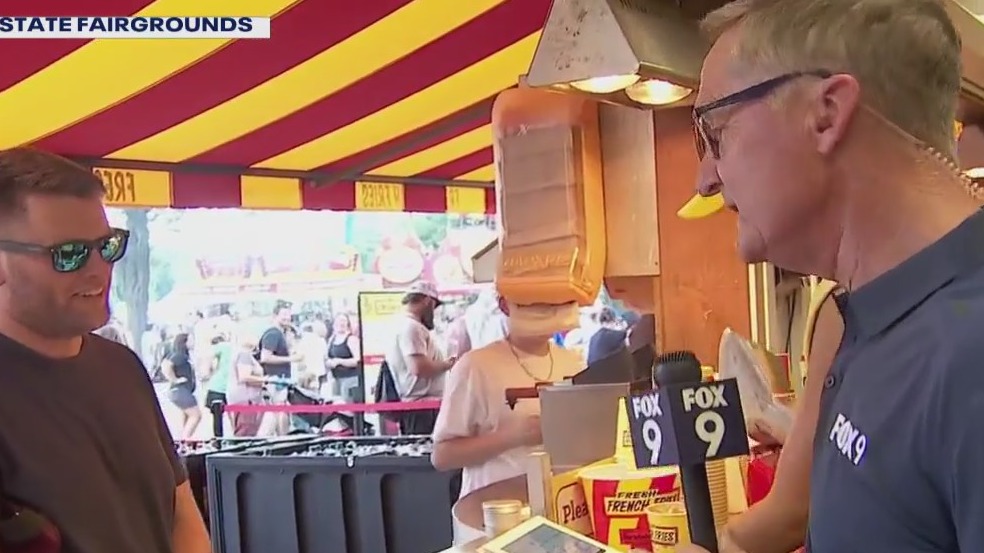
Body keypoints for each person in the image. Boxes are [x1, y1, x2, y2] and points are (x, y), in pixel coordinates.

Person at [681, 1, 984, 552]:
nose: (704, 180)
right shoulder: (862, 314)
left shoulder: (971, 354)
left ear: (827, 113)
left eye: (714, 133)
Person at [0, 147, 209, 553]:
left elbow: (178, 509)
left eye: (108, 245)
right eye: (70, 254)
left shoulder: (122, 366)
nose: (99, 268)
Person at [431, 300, 583, 500]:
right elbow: (442, 456)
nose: (546, 310)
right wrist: (513, 436)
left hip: (562, 503)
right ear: (504, 305)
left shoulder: (574, 363)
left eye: (556, 302)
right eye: (533, 303)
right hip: (492, 511)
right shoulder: (475, 366)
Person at [384, 281, 456, 435]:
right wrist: (448, 364)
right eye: (434, 307)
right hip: (421, 408)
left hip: (419, 407)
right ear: (427, 301)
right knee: (425, 454)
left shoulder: (405, 325)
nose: (435, 312)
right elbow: (419, 368)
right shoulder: (412, 327)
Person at [161, 333, 201, 440]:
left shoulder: (183, 356)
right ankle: (185, 438)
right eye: (191, 340)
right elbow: (166, 366)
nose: (193, 342)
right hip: (180, 390)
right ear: (184, 342)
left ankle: (183, 439)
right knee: (195, 415)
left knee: (187, 416)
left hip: (183, 391)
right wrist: (174, 379)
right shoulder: (180, 356)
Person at [258, 303, 300, 379]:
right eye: (284, 314)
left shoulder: (281, 333)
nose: (287, 318)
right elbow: (265, 358)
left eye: (289, 315)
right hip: (274, 381)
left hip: (280, 379)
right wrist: (291, 358)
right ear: (275, 316)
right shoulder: (273, 333)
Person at [327, 313, 361, 402]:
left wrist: (339, 361)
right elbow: (327, 357)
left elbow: (357, 360)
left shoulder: (351, 339)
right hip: (336, 379)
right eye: (338, 321)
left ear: (347, 324)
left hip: (350, 378)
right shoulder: (332, 339)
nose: (341, 324)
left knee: (347, 405)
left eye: (343, 321)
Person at [204, 333, 234, 410]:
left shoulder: (221, 346)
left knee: (217, 416)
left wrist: (208, 372)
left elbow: (209, 359)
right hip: (233, 385)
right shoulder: (232, 347)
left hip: (219, 387)